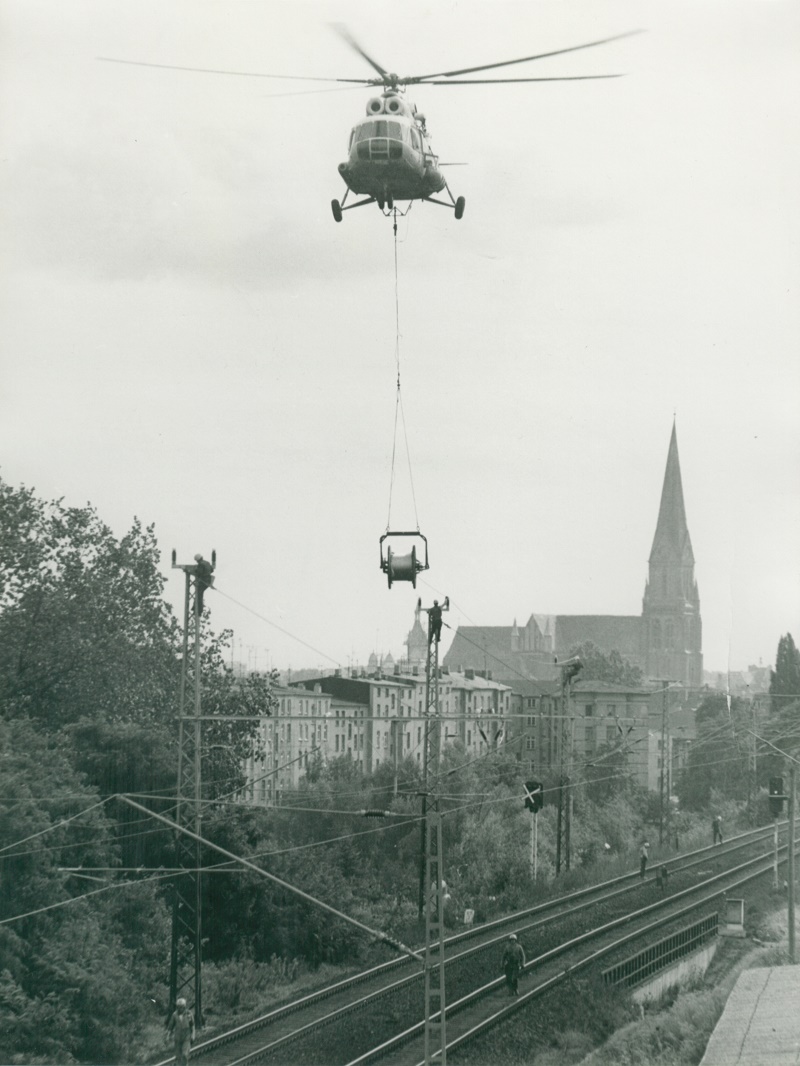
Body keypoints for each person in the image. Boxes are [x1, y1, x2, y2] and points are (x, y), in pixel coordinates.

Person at [167, 997, 195, 1066]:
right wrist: (168, 1036)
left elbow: (192, 1026)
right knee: (178, 1057)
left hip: (186, 1037)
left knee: (185, 1055)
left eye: (181, 1007)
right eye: (178, 1007)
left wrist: (193, 1035)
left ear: (184, 1007)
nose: (180, 1009)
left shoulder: (189, 1014)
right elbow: (170, 1027)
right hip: (178, 1038)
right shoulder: (174, 1015)